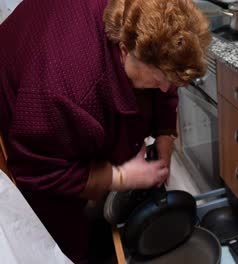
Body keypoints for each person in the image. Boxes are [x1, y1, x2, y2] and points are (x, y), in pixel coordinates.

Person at [0, 0, 211, 263]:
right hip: (18, 85)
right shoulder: (65, 91)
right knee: (66, 230)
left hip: (55, 50)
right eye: (158, 79)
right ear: (124, 50)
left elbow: (167, 74)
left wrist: (166, 134)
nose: (166, 88)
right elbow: (40, 172)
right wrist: (119, 177)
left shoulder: (146, 20)